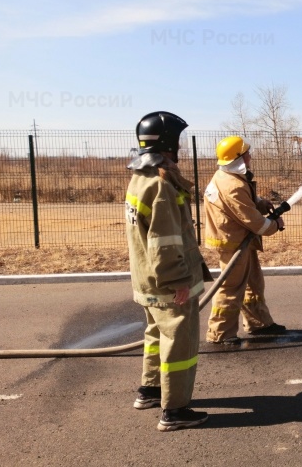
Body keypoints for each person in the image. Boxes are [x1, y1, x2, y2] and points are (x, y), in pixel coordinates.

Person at [125, 111, 211, 432]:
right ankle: (174, 410)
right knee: (180, 340)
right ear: (169, 145)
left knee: (154, 335)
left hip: (146, 280)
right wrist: (178, 281)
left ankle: (149, 390)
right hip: (167, 282)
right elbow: (164, 241)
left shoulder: (139, 179)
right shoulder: (161, 185)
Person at [203, 135, 286, 345]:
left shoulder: (228, 176)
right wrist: (275, 225)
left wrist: (259, 202)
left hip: (240, 240)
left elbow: (242, 202)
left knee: (253, 283)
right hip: (232, 242)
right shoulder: (232, 185)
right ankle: (220, 333)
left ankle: (259, 323)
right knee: (231, 288)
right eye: (246, 152)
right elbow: (255, 222)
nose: (250, 155)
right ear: (238, 157)